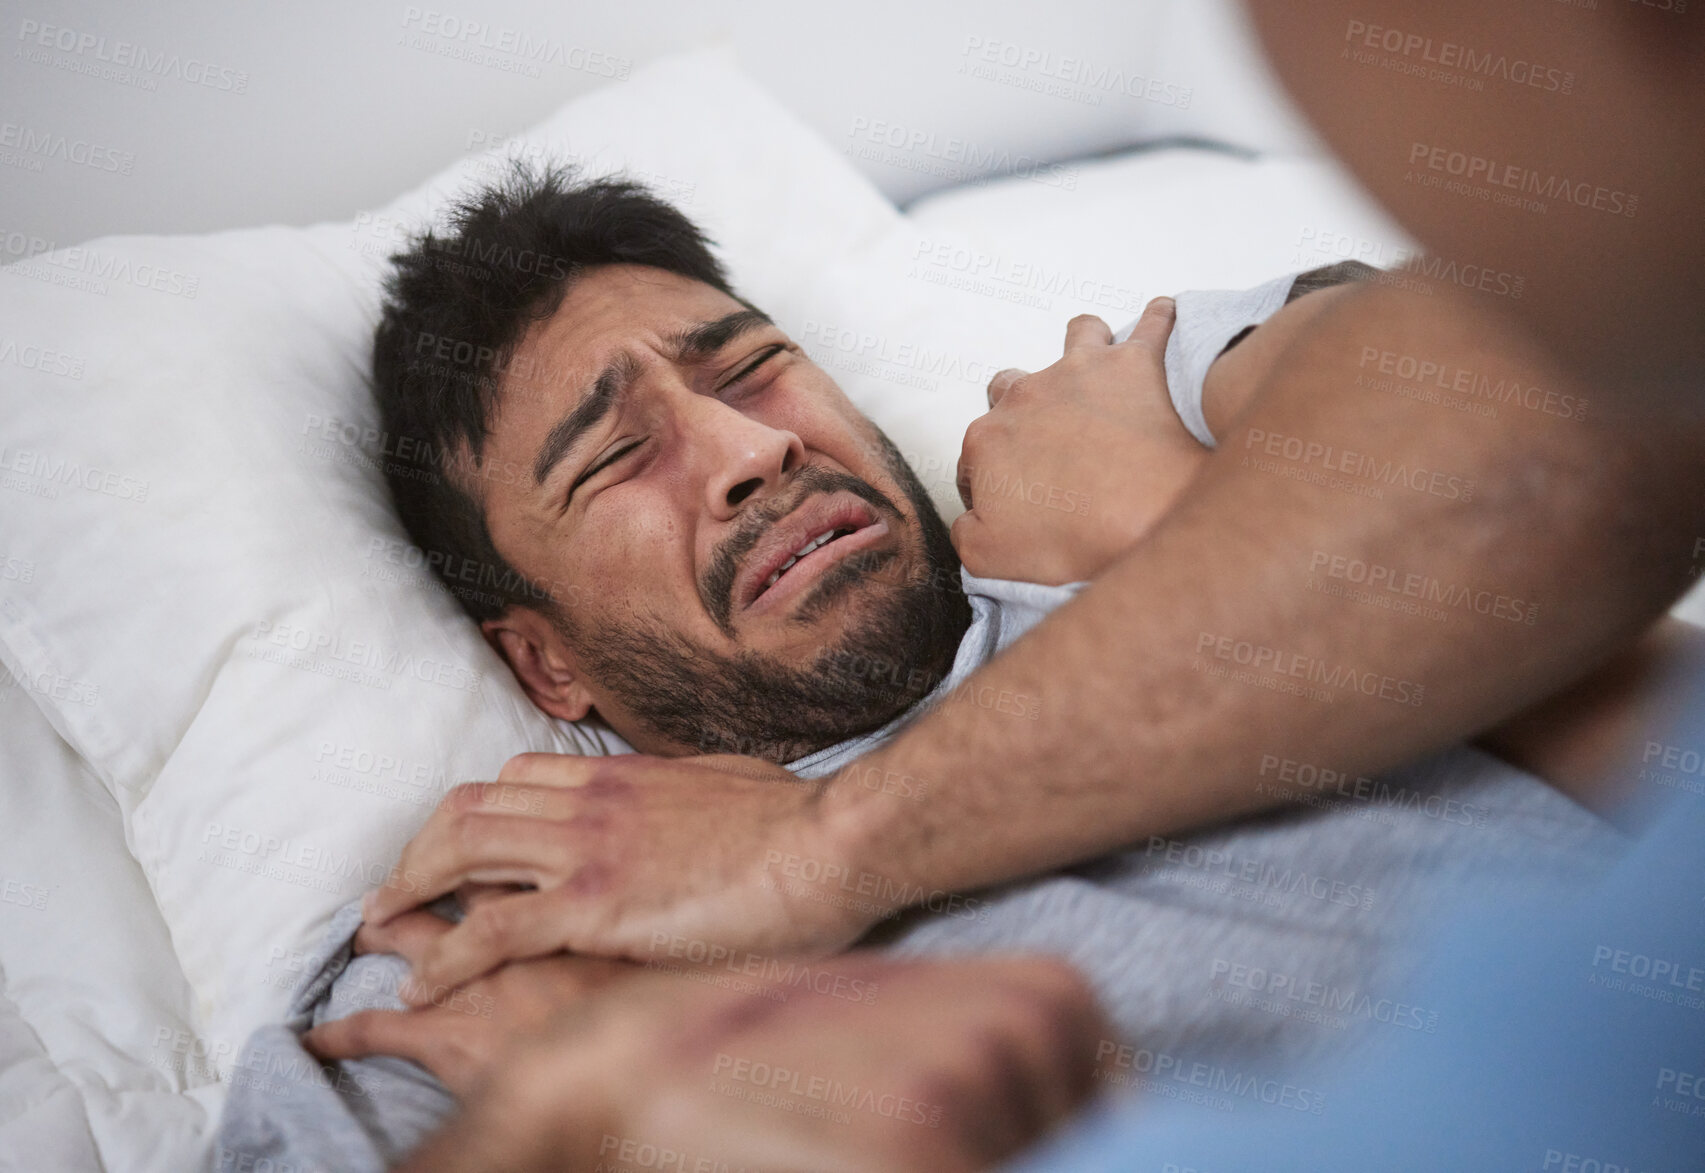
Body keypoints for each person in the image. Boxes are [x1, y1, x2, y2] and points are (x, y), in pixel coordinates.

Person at [218, 157, 1697, 1168]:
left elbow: (1579, 403)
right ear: (544, 664)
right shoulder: (527, 917)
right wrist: (584, 1128)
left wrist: (1154, 520)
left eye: (748, 368)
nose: (749, 449)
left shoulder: (1136, 428)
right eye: (615, 459)